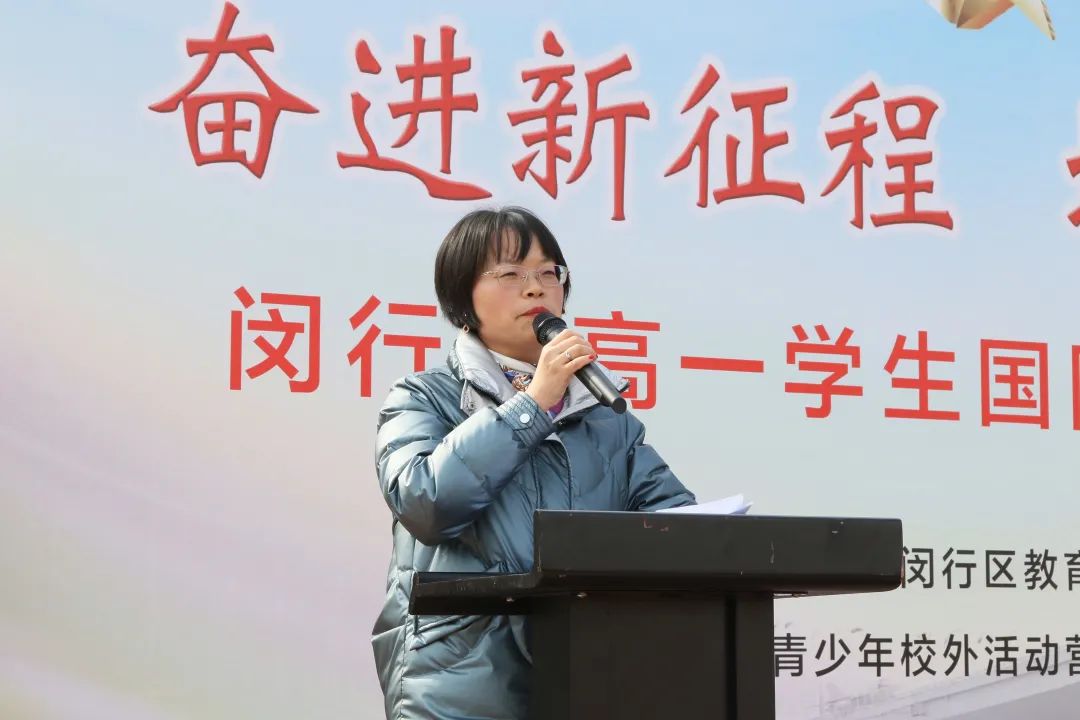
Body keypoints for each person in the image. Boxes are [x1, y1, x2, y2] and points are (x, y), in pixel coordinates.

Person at [372, 206, 696, 719]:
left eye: (549, 273)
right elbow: (426, 502)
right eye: (510, 274)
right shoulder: (422, 397)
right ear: (461, 297)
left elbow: (679, 528)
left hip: (587, 675)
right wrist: (533, 405)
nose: (535, 288)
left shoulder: (605, 418)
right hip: (460, 686)